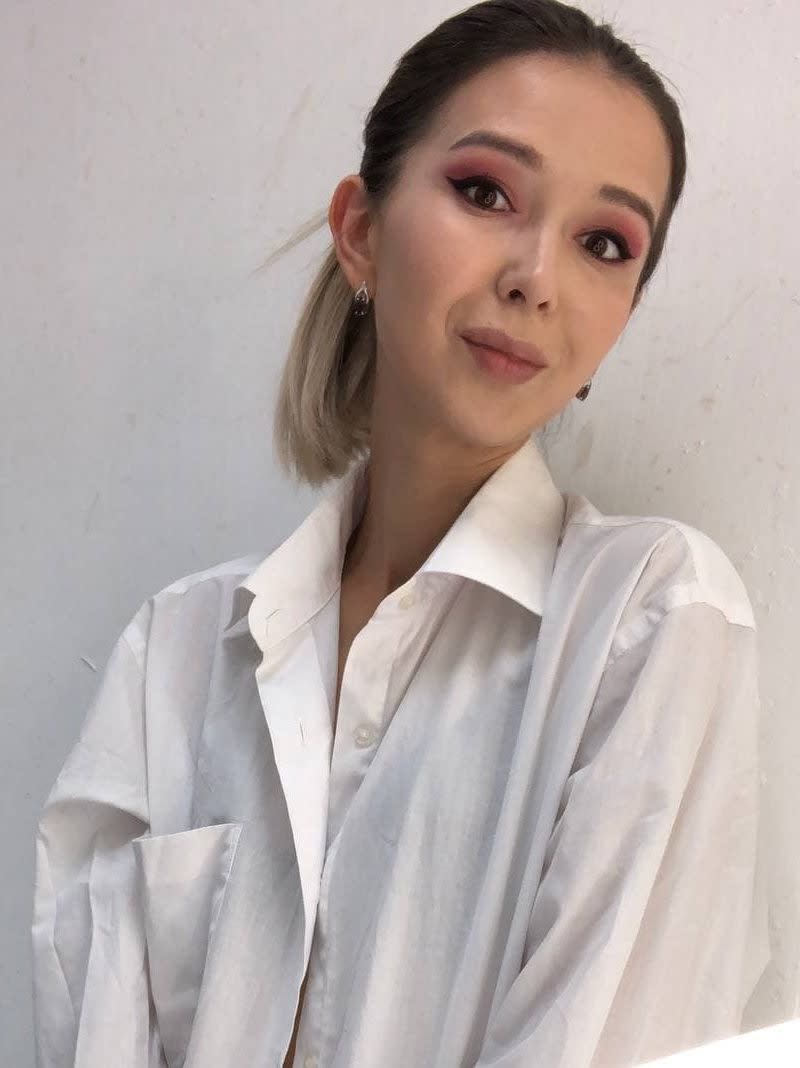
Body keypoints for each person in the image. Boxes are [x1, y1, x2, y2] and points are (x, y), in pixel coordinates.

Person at [31, 2, 770, 1066]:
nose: (536, 277)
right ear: (361, 232)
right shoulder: (176, 657)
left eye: (604, 244)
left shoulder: (649, 623)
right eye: (485, 191)